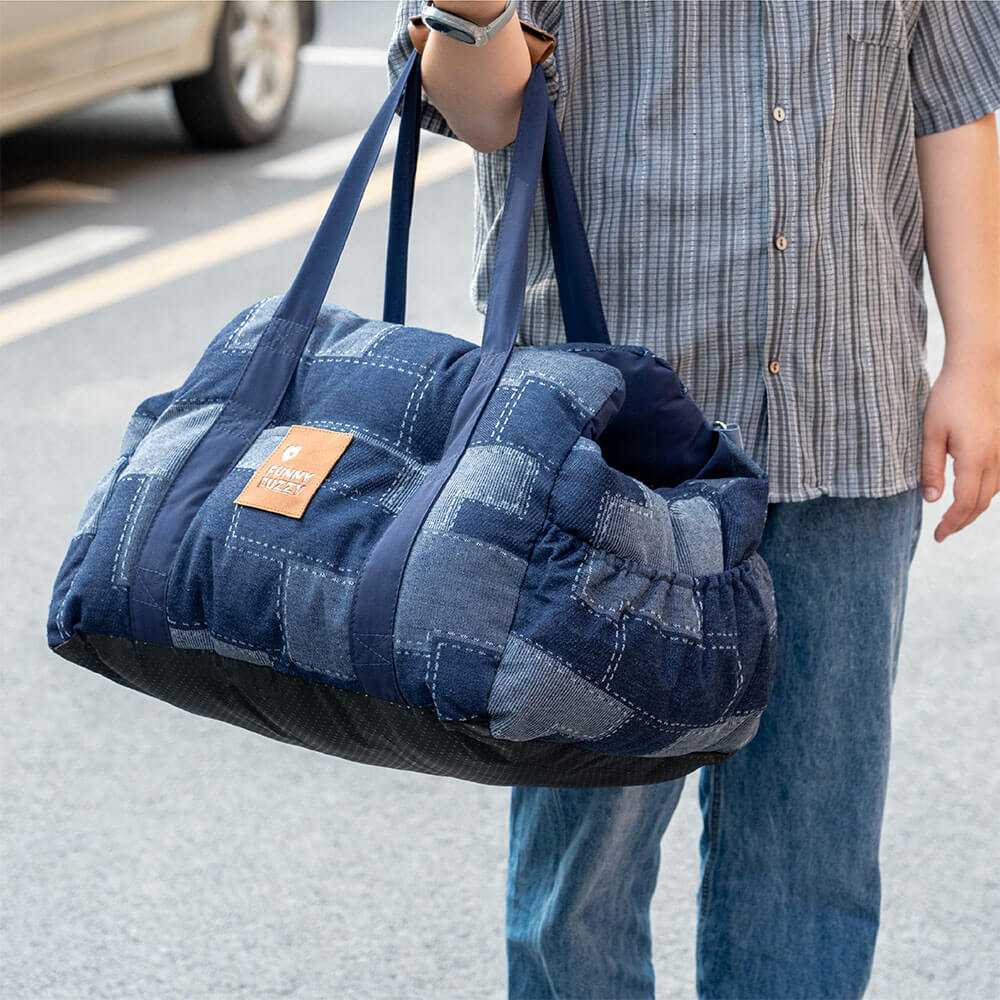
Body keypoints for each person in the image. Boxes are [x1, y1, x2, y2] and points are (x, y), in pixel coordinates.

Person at [387, 2, 1000, 997]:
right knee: (582, 872)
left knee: (813, 848)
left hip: (841, 417)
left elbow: (952, 104)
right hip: (609, 452)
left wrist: (978, 353)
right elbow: (481, 111)